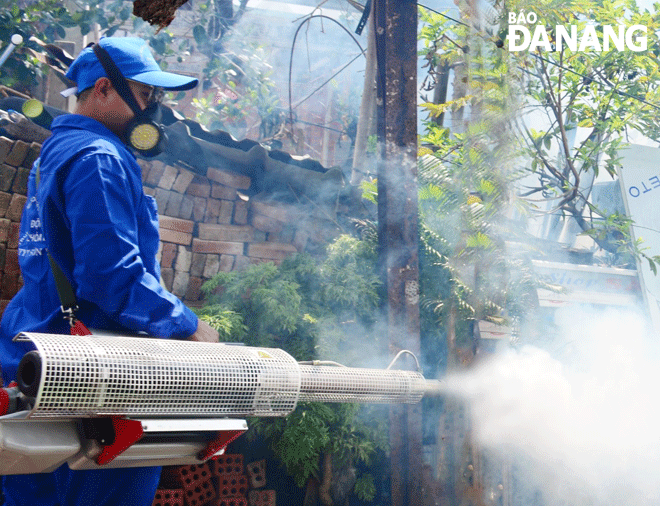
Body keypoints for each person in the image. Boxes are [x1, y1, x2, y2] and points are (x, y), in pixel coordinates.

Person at [0, 36, 219, 506]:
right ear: (103, 88)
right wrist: (189, 325)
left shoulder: (54, 155)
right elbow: (112, 276)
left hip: (35, 366)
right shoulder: (99, 158)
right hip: (93, 387)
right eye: (145, 96)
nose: (152, 112)